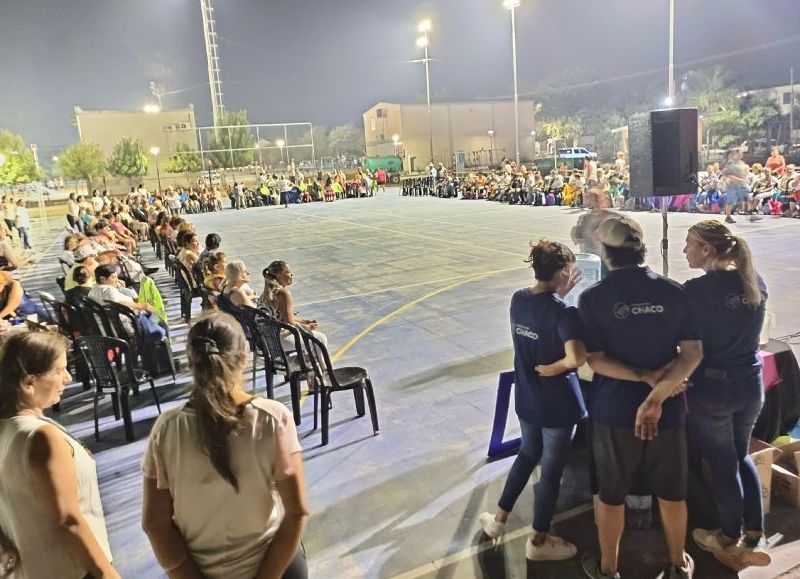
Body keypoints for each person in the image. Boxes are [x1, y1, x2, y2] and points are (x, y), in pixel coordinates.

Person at [578, 215, 703, 579]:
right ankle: (678, 563)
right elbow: (692, 352)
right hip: (668, 411)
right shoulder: (673, 291)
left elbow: (597, 361)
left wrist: (642, 379)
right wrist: (658, 396)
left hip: (614, 411)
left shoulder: (594, 298)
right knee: (672, 492)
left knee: (610, 495)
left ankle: (608, 569)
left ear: (606, 252)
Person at [141, 313, 308, 579]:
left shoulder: (166, 428)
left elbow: (155, 523)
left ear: (192, 361)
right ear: (244, 356)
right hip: (270, 566)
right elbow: (296, 512)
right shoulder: (272, 418)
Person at [479, 240, 586, 561]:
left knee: (527, 455)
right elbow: (576, 357)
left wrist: (559, 297)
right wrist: (556, 368)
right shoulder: (565, 312)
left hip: (527, 397)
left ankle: (498, 521)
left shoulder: (519, 300)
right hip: (558, 403)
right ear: (564, 271)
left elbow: (542, 318)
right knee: (551, 470)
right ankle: (538, 541)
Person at [682, 221, 771, 567]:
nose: (685, 250)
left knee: (722, 464)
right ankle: (754, 532)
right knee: (739, 453)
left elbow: (688, 347)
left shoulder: (696, 291)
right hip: (750, 384)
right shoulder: (754, 281)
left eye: (689, 244)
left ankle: (727, 536)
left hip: (715, 389)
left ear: (707, 250)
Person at [0, 332, 117, 579]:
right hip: (72, 570)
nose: (68, 377)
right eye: (59, 370)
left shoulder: (9, 430)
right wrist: (107, 574)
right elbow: (69, 520)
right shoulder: (42, 437)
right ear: (29, 381)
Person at [259, 261, 325, 346]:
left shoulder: (266, 293)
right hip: (277, 339)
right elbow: (289, 322)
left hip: (264, 337)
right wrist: (308, 328)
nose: (292, 275)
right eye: (288, 272)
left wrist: (303, 321)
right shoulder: (283, 293)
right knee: (321, 339)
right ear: (279, 276)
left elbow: (281, 317)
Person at [721, 148, 751, 224]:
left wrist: (745, 177)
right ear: (735, 154)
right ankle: (728, 217)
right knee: (730, 201)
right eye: (740, 153)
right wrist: (733, 179)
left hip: (741, 185)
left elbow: (744, 173)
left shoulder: (742, 163)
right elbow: (725, 174)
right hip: (732, 185)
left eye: (741, 153)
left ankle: (748, 212)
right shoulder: (730, 163)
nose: (741, 154)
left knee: (748, 196)